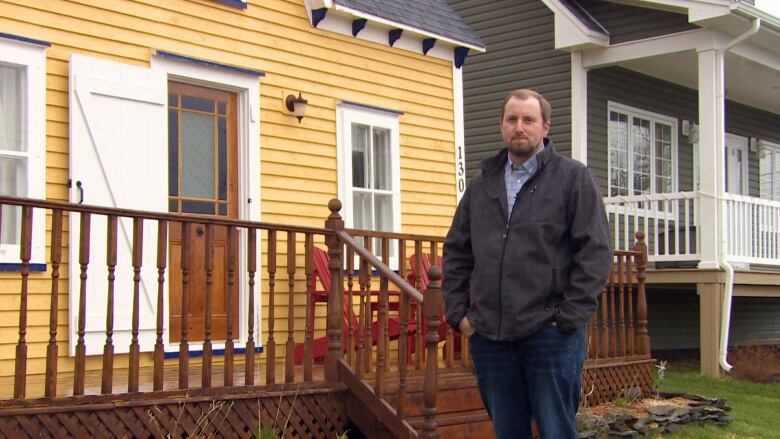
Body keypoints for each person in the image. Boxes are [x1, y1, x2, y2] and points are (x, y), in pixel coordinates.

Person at [442, 89, 613, 439]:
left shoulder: (573, 180)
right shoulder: (481, 186)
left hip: (550, 334)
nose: (519, 127)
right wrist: (459, 314)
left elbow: (594, 252)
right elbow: (457, 251)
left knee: (556, 431)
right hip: (490, 336)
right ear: (503, 126)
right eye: (512, 119)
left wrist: (567, 317)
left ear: (545, 127)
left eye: (528, 119)